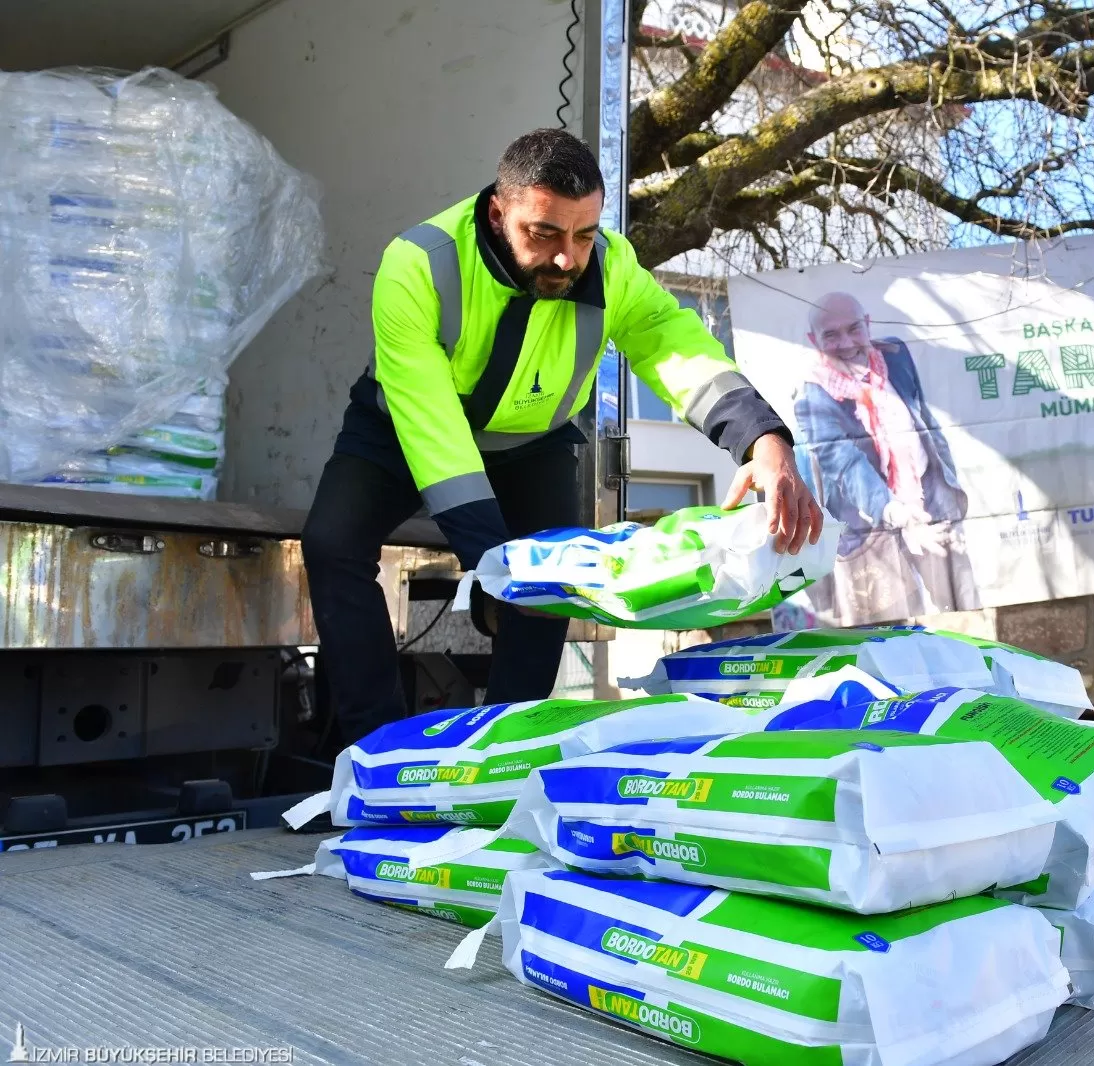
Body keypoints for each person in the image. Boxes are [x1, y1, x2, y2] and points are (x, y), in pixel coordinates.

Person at [302, 129, 821, 743]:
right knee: (331, 542)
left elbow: (674, 347)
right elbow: (432, 427)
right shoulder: (417, 262)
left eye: (583, 235)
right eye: (543, 233)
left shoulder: (612, 264)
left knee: (550, 589)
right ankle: (375, 749)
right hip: (403, 427)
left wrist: (763, 439)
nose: (566, 259)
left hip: (533, 442)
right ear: (499, 212)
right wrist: (491, 557)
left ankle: (506, 748)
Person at [792, 291, 976, 622]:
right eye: (831, 335)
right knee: (893, 630)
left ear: (867, 324)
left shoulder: (895, 355)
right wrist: (895, 512)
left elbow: (923, 419)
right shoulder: (813, 395)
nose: (846, 342)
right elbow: (844, 463)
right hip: (869, 525)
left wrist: (946, 485)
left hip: (929, 500)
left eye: (854, 329)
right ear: (813, 340)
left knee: (961, 611)